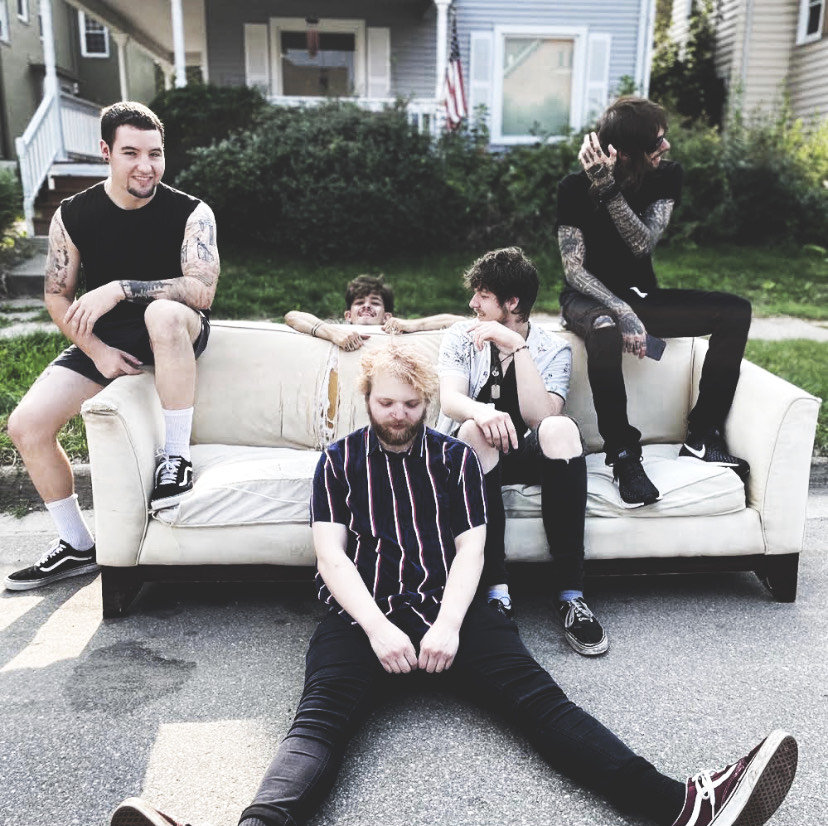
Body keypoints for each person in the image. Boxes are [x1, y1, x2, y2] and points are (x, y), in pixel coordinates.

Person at [109, 342, 797, 826]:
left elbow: (472, 550)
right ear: (367, 398)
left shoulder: (455, 458)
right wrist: (379, 629)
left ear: (427, 401)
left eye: (411, 403)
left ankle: (685, 808)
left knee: (546, 708)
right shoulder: (338, 462)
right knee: (316, 725)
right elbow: (331, 557)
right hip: (362, 615)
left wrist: (445, 626)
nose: (398, 414)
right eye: (386, 402)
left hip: (455, 612)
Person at [4, 101, 219, 592]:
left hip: (177, 327)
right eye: (131, 153)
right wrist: (97, 350)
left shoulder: (192, 212)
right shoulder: (73, 214)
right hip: (108, 337)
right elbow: (57, 295)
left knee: (162, 313)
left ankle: (176, 459)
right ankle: (76, 544)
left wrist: (121, 288)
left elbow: (202, 290)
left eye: (155, 154)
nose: (146, 166)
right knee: (26, 425)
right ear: (105, 151)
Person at [556, 96, 751, 508]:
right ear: (625, 152)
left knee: (736, 311)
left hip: (641, 295)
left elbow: (643, 244)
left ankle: (702, 436)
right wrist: (622, 311)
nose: (666, 146)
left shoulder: (666, 176)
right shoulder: (573, 188)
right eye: (655, 143)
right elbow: (574, 270)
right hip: (588, 297)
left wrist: (609, 190)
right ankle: (624, 455)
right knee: (606, 329)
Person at [436, 247, 606, 656]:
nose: (473, 304)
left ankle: (571, 596)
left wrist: (518, 348)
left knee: (561, 428)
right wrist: (483, 412)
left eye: (483, 296)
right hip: (474, 458)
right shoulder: (461, 336)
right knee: (474, 429)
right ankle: (497, 593)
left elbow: (541, 417)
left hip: (530, 456)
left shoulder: (553, 349)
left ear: (512, 303)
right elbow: (451, 400)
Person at [284, 274, 464, 351]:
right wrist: (332, 333)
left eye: (375, 303)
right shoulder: (337, 329)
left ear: (387, 316)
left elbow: (461, 321)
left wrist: (414, 324)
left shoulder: (396, 329)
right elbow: (292, 316)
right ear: (348, 316)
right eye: (359, 302)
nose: (367, 306)